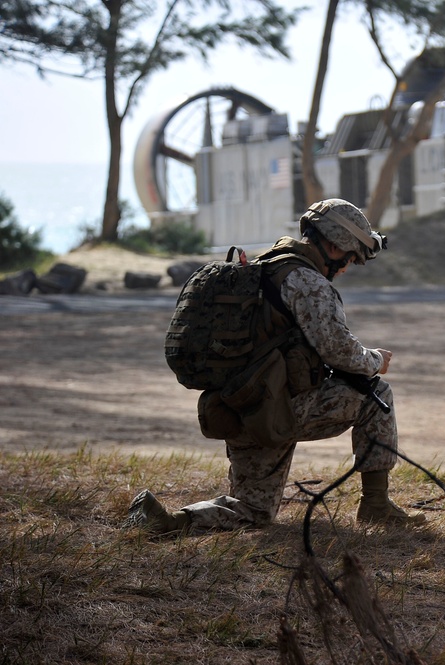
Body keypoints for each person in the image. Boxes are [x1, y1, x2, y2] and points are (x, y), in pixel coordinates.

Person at [123, 198, 425, 535]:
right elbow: (340, 352)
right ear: (332, 245)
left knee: (252, 511)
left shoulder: (262, 267)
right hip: (280, 407)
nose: (346, 267)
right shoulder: (308, 283)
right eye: (350, 257)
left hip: (236, 405)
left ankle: (165, 522)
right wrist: (375, 360)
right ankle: (376, 507)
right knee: (376, 395)